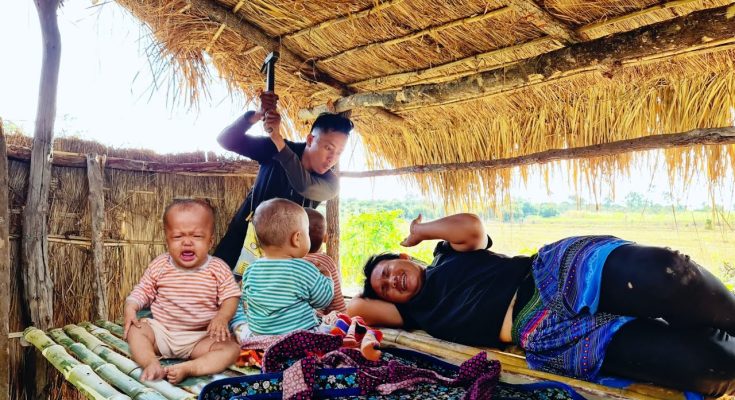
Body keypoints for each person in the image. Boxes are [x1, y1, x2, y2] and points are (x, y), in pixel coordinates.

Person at [347, 213, 735, 396]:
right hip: (546, 333)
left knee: (666, 274)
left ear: (407, 258)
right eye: (384, 287)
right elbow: (353, 309)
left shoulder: (446, 255)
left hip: (552, 276)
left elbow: (472, 227)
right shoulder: (414, 313)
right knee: (710, 367)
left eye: (390, 270)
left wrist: (420, 230)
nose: (391, 281)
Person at [215, 92, 353, 269]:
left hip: (283, 261)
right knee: (216, 283)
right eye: (328, 148)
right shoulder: (274, 149)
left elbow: (304, 185)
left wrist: (278, 139)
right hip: (240, 241)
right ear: (310, 139)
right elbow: (225, 140)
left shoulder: (330, 183)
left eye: (339, 152)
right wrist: (257, 115)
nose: (332, 158)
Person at [123, 199, 241, 384]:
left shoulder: (218, 268)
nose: (187, 242)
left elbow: (231, 297)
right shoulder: (160, 265)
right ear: (167, 241)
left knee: (231, 349)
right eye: (178, 237)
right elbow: (143, 290)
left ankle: (190, 367)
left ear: (210, 241)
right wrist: (131, 306)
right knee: (136, 331)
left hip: (200, 338)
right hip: (161, 333)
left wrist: (222, 317)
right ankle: (151, 363)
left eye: (197, 236)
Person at [230, 198, 334, 337]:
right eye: (307, 234)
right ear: (297, 238)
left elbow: (247, 301)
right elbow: (323, 301)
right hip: (298, 338)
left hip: (259, 336)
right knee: (332, 326)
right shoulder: (303, 268)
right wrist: (327, 278)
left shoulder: (251, 269)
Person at [303, 207, 347, 315]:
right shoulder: (325, 262)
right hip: (314, 320)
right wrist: (343, 316)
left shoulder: (286, 260)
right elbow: (336, 302)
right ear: (325, 238)